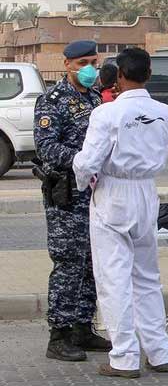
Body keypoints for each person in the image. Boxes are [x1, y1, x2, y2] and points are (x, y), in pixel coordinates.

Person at [73, 47, 168, 379]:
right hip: (146, 191)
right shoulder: (165, 112)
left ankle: (125, 357)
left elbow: (88, 162)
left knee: (113, 279)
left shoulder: (107, 113)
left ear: (119, 76)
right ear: (148, 75)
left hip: (114, 191)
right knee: (147, 277)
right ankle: (159, 352)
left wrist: (82, 178)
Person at [33, 40, 111, 362]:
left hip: (95, 194)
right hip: (66, 196)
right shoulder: (51, 101)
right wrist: (84, 160)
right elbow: (47, 148)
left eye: (93, 61)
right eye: (82, 63)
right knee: (68, 264)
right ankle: (59, 335)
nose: (90, 68)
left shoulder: (95, 98)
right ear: (67, 65)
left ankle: (82, 327)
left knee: (92, 263)